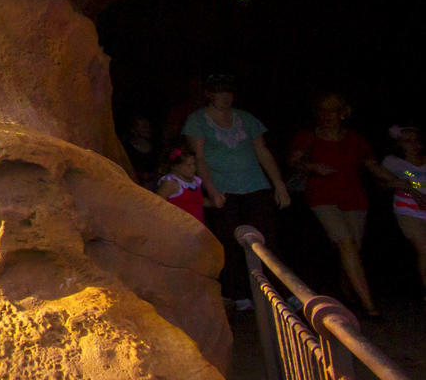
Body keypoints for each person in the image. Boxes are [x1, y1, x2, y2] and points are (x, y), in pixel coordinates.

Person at [185, 75, 291, 311]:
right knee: (231, 241)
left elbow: (262, 151)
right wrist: (211, 190)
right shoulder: (197, 121)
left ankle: (281, 291)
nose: (225, 97)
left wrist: (279, 184)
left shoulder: (245, 118)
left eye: (228, 92)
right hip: (223, 188)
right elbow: (199, 157)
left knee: (267, 239)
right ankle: (240, 292)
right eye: (220, 92)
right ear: (209, 94)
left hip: (254, 184)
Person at [290, 93, 380, 317]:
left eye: (333, 110)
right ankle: (369, 306)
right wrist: (311, 166)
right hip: (323, 197)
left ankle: (349, 291)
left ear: (343, 113)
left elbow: (378, 169)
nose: (327, 115)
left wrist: (411, 186)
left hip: (354, 198)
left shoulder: (356, 139)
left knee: (352, 250)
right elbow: (293, 161)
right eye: (323, 110)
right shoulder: (308, 136)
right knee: (346, 243)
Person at [380, 125, 426, 295]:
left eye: (416, 140)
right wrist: (404, 187)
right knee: (424, 249)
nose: (413, 144)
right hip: (408, 211)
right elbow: (381, 184)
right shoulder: (393, 162)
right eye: (408, 141)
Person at [155, 144, 206, 224]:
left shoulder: (196, 181)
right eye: (189, 165)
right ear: (175, 167)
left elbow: (197, 202)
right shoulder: (171, 183)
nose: (193, 168)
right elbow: (157, 205)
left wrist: (213, 202)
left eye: (194, 164)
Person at [122, 115, 161, 184]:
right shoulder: (127, 148)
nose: (148, 129)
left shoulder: (156, 146)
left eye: (148, 126)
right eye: (144, 127)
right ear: (133, 130)